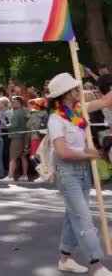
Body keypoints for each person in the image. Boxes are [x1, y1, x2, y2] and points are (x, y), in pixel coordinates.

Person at [47, 73, 112, 275]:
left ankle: (65, 258)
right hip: (67, 173)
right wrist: (88, 154)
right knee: (83, 217)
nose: (79, 92)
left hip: (83, 170)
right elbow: (62, 152)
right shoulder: (55, 119)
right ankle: (96, 264)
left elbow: (104, 101)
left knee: (72, 216)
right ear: (66, 94)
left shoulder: (77, 112)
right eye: (75, 89)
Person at [1, 96, 29, 182]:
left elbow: (14, 125)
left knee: (13, 157)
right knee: (23, 156)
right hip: (22, 137)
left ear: (19, 103)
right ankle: (24, 175)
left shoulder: (17, 112)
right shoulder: (23, 112)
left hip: (16, 137)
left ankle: (10, 176)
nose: (12, 104)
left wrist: (6, 125)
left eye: (13, 102)